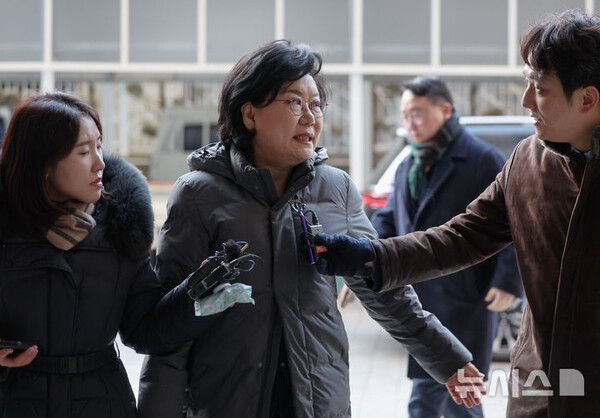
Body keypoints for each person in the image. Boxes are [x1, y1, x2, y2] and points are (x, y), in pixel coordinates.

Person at [138, 40, 485, 418]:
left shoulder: (336, 189)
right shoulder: (198, 194)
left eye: (316, 104)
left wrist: (447, 358)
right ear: (249, 114)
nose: (310, 117)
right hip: (226, 402)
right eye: (294, 102)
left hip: (318, 402)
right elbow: (171, 328)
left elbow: (384, 291)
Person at [314, 10, 600, 418]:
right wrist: (373, 257)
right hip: (540, 390)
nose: (525, 100)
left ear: (587, 99)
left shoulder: (480, 157)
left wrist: (505, 284)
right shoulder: (527, 161)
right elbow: (463, 236)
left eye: (540, 89)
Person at [0, 92, 243, 418]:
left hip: (103, 403)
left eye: (99, 146)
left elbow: (144, 329)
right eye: (83, 151)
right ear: (43, 164)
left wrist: (197, 295)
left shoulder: (121, 227)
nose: (99, 163)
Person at [370, 76, 522, 418]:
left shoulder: (482, 160)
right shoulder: (409, 164)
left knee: (451, 400)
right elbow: (389, 220)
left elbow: (513, 224)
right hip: (421, 300)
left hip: (466, 297)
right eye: (405, 114)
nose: (410, 122)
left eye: (418, 113)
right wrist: (366, 261)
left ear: (446, 110)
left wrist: (508, 280)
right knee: (440, 397)